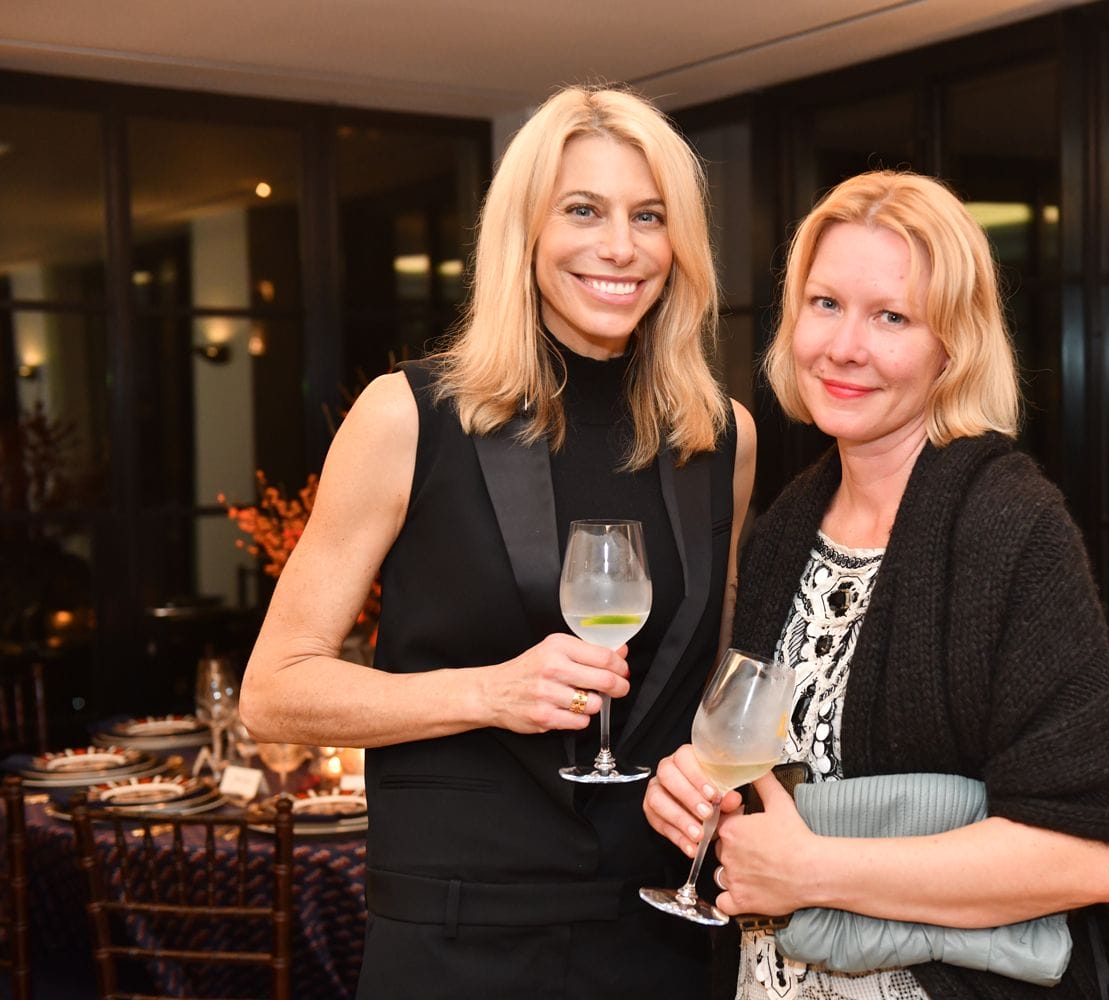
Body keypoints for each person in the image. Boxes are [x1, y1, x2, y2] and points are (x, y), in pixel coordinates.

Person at [239, 84, 756, 999]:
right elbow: (275, 692)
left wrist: (712, 774)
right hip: (459, 931)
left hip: (658, 929)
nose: (620, 246)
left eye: (649, 216)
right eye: (583, 210)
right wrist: (489, 691)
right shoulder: (408, 415)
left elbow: (713, 675)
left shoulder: (720, 437)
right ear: (525, 231)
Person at [643, 171, 1109, 999]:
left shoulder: (1009, 530)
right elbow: (780, 783)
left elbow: (1092, 858)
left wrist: (815, 869)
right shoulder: (787, 528)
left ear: (955, 346)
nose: (844, 347)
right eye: (825, 303)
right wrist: (697, 791)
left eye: (892, 317)